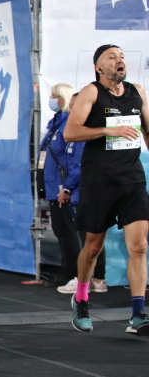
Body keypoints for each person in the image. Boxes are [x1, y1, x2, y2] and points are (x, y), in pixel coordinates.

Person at [63, 44, 149, 333]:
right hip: (99, 181)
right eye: (111, 57)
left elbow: (147, 130)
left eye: (122, 56)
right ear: (99, 67)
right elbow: (70, 132)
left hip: (132, 180)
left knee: (139, 247)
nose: (119, 60)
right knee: (93, 246)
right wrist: (107, 129)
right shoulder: (91, 93)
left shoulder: (137, 91)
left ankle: (138, 314)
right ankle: (82, 298)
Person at [54, 92, 107, 294]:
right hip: (81, 190)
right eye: (71, 105)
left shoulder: (88, 134)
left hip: (87, 190)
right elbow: (60, 151)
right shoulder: (74, 131)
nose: (72, 109)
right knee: (91, 239)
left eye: (75, 105)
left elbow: (78, 166)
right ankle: (93, 280)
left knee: (91, 240)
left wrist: (67, 187)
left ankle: (90, 279)